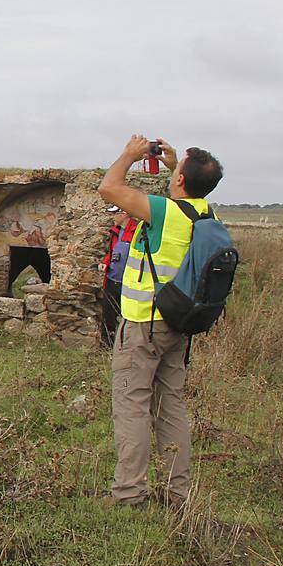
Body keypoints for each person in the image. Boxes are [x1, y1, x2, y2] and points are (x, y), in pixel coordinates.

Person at [99, 137, 223, 510]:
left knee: (132, 405)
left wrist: (130, 155)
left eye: (178, 167)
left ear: (182, 181)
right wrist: (176, 169)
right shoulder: (206, 215)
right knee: (171, 406)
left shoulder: (164, 212)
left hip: (143, 326)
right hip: (180, 325)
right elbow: (187, 196)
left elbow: (109, 188)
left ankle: (128, 494)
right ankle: (177, 493)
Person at [99, 206, 135, 349]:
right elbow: (114, 252)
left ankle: (125, 346)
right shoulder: (117, 232)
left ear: (124, 214)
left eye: (115, 213)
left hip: (128, 284)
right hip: (112, 280)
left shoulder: (136, 232)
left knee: (127, 316)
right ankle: (107, 345)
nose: (112, 216)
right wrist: (105, 263)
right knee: (108, 314)